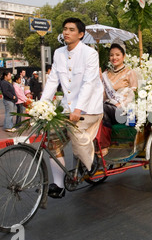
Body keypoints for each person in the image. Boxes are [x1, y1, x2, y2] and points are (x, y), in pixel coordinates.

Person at [40, 17, 104, 199]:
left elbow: (89, 83)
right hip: (67, 108)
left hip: (89, 109)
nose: (66, 32)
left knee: (74, 133)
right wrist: (42, 104)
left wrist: (78, 109)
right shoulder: (59, 53)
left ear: (81, 34)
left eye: (71, 29)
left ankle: (91, 163)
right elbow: (53, 81)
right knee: (52, 138)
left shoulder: (90, 54)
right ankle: (58, 185)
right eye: (64, 29)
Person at [99, 39, 138, 155]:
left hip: (125, 111)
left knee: (103, 108)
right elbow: (104, 96)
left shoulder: (130, 73)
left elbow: (132, 95)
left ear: (123, 56)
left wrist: (120, 104)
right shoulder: (107, 74)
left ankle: (104, 145)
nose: (114, 58)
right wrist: (99, 80)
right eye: (111, 55)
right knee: (98, 107)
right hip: (109, 108)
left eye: (117, 55)